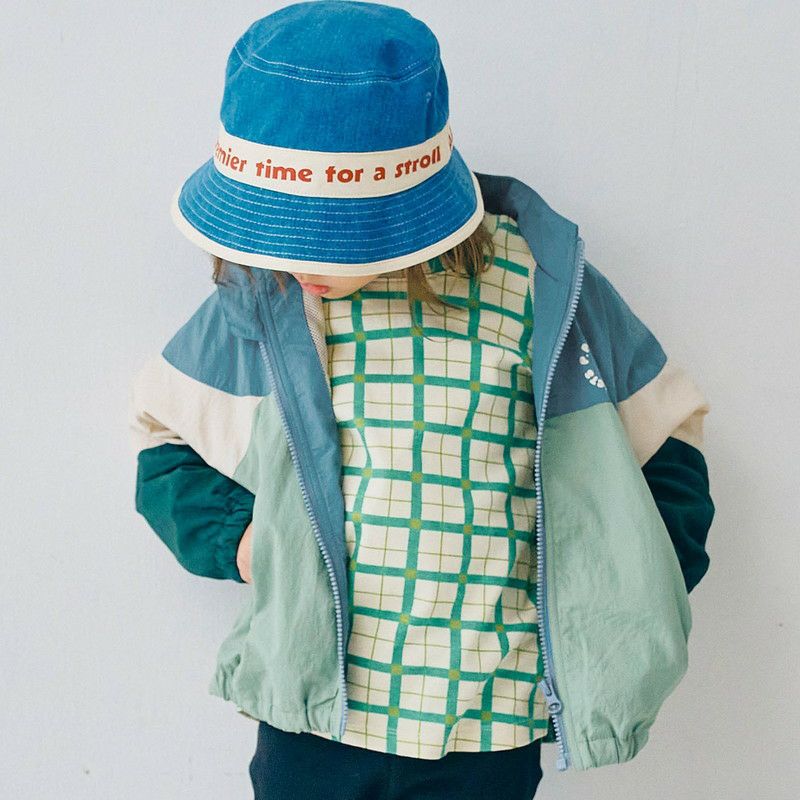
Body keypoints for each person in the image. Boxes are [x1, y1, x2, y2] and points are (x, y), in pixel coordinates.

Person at [128, 2, 715, 798]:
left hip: (492, 720)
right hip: (317, 719)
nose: (301, 258)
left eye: (326, 233)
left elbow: (666, 440)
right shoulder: (267, 298)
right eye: (281, 229)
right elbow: (166, 439)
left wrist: (629, 581)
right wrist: (244, 543)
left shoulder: (539, 285)